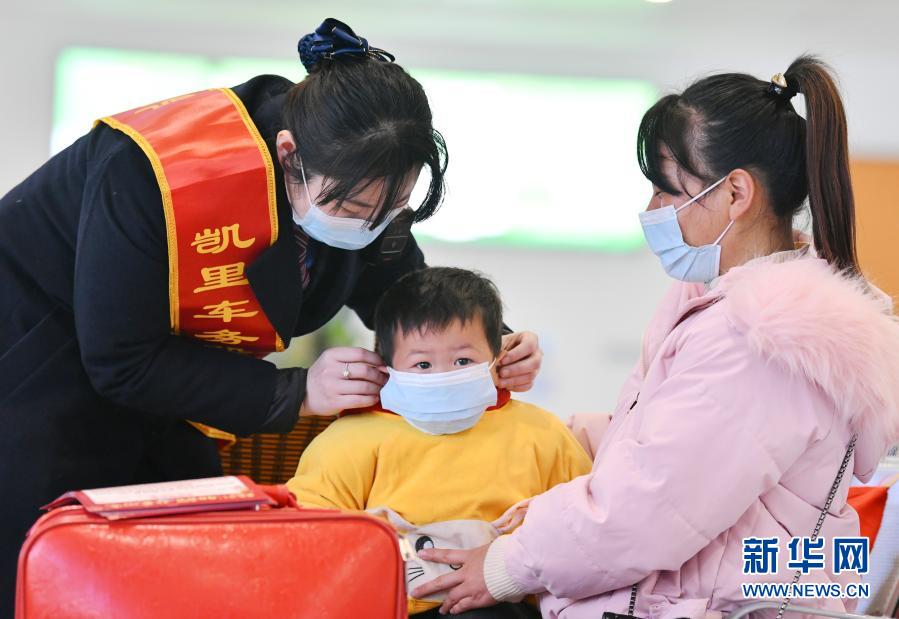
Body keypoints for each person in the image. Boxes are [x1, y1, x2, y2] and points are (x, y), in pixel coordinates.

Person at [0, 18, 542, 614]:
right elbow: (121, 359)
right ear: (289, 155)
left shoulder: (360, 179)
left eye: (391, 210)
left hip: (176, 390)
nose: (370, 227)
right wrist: (298, 391)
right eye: (355, 208)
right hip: (39, 364)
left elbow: (404, 293)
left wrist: (493, 347)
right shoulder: (152, 172)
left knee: (186, 569)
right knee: (53, 568)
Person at [412, 56, 899, 618]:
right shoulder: (725, 307)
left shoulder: (764, 340)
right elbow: (660, 442)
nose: (652, 211)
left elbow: (647, 506)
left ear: (736, 194)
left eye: (666, 191)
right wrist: (536, 435)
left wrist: (505, 564)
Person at [287, 267, 590, 618]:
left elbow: (582, 519)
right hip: (393, 606)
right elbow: (307, 528)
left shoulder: (541, 432)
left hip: (509, 603)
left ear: (497, 357)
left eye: (463, 360)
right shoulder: (349, 439)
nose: (444, 375)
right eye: (423, 364)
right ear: (387, 367)